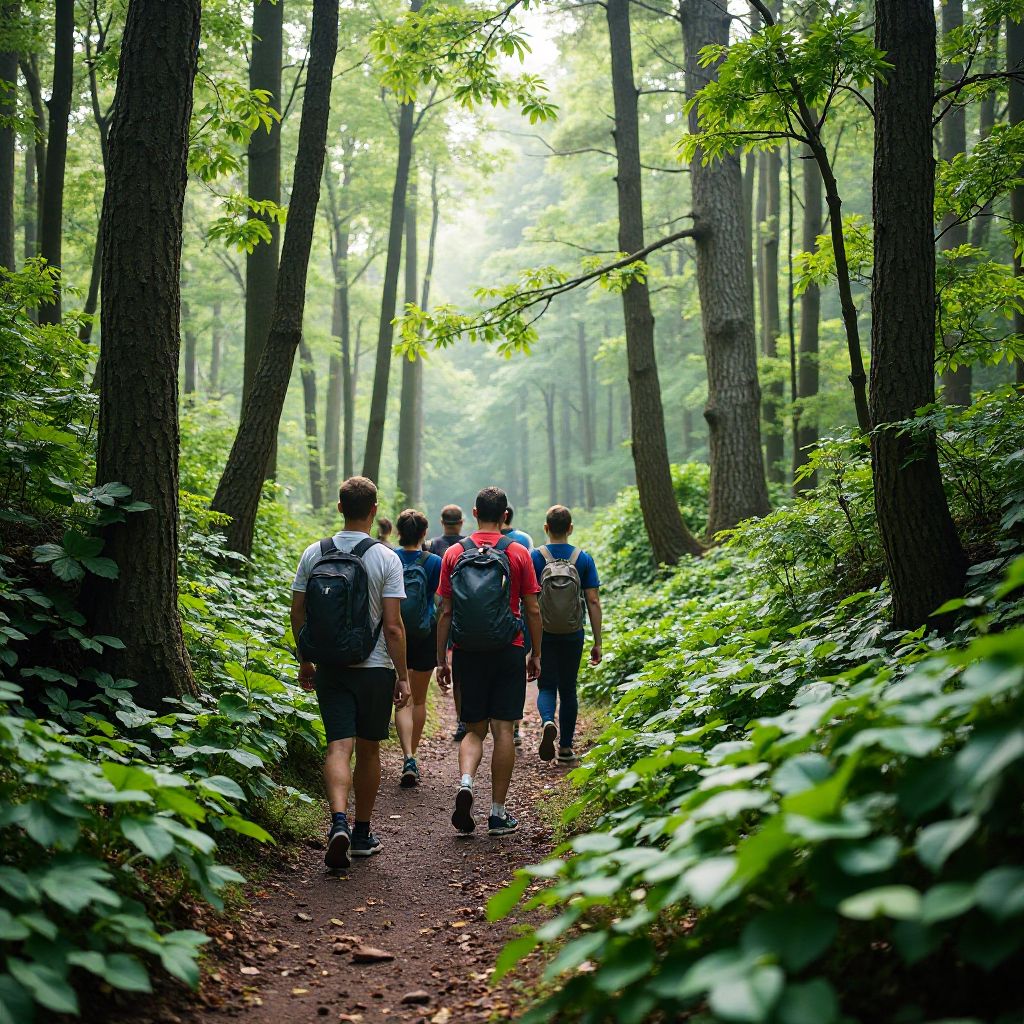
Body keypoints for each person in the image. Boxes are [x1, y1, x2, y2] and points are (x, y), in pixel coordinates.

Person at [290, 476, 411, 871]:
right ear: (374, 510)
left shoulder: (314, 552)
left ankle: (337, 821)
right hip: (374, 668)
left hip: (330, 666)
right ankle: (361, 833)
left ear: (340, 508)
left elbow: (298, 612)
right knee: (370, 749)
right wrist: (403, 675)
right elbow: (393, 627)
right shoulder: (386, 557)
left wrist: (306, 659)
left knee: (338, 746)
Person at [436, 486, 542, 836]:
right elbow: (532, 608)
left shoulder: (454, 553)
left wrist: (442, 659)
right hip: (508, 647)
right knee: (503, 730)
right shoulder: (518, 552)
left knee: (473, 728)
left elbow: (445, 611)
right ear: (505, 515)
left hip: (467, 650)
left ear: (475, 512)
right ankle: (497, 813)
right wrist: (535, 653)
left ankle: (466, 782)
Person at [530, 504, 602, 764]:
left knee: (546, 684)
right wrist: (598, 641)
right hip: (573, 632)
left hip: (544, 631)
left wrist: (530, 645)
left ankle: (548, 720)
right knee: (568, 687)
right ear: (570, 528)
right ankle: (566, 748)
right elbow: (592, 601)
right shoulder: (583, 559)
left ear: (546, 528)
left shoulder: (534, 557)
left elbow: (528, 602)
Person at [393, 508, 443, 787]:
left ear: (399, 533)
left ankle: (407, 755)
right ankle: (414, 756)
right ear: (424, 534)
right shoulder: (433, 561)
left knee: (402, 698)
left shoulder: (389, 556)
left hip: (394, 634)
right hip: (425, 633)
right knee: (420, 700)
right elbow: (439, 600)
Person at [426, 505, 469, 741]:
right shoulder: (469, 546)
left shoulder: (432, 546)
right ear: (461, 522)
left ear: (442, 522)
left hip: (439, 613)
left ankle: (462, 720)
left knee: (457, 669)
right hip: (467, 612)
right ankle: (477, 716)